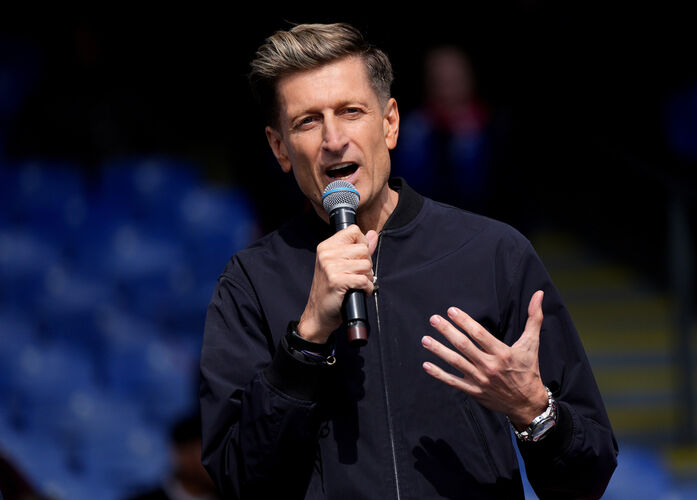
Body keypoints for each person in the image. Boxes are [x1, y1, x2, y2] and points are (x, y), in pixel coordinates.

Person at [199, 23, 617, 499]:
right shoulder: (250, 282)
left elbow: (587, 479)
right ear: (280, 149)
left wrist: (533, 411)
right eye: (308, 122)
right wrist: (307, 338)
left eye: (351, 111)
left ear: (390, 123)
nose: (334, 138)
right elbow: (239, 483)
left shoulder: (492, 253)